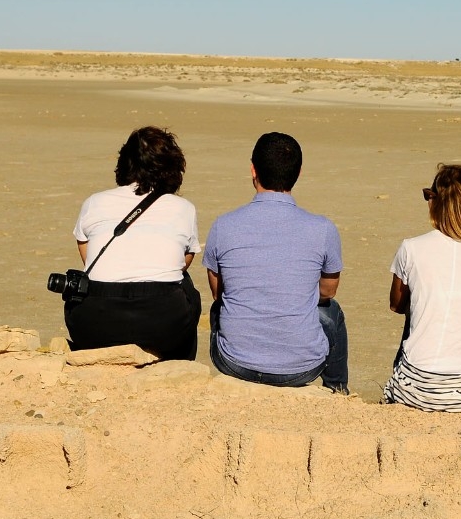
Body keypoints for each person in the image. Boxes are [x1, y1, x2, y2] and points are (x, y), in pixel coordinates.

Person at [203, 132, 349, 393]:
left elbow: (218, 293)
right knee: (332, 311)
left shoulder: (223, 225)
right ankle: (337, 389)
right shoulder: (323, 228)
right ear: (298, 172)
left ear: (253, 170)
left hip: (234, 362)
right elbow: (328, 291)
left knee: (222, 307)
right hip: (301, 369)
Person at [382, 163, 461, 412]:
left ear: (436, 201)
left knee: (414, 321)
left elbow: (396, 305)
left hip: (416, 387)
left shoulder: (411, 247)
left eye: (428, 197)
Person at [66, 126, 202, 360]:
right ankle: (179, 360)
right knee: (186, 287)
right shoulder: (184, 209)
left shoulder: (95, 202)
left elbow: (87, 256)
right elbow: (183, 263)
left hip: (95, 322)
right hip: (162, 323)